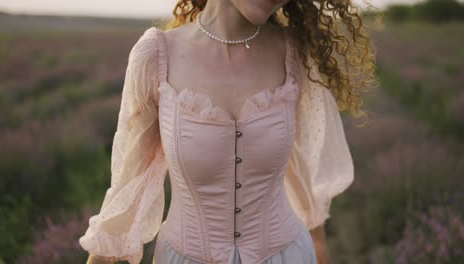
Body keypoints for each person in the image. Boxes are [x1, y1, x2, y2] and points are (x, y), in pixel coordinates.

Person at [78, 0, 377, 263]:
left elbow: (297, 162)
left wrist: (318, 241)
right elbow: (132, 182)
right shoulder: (156, 57)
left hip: (288, 254)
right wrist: (102, 254)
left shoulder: (293, 54)